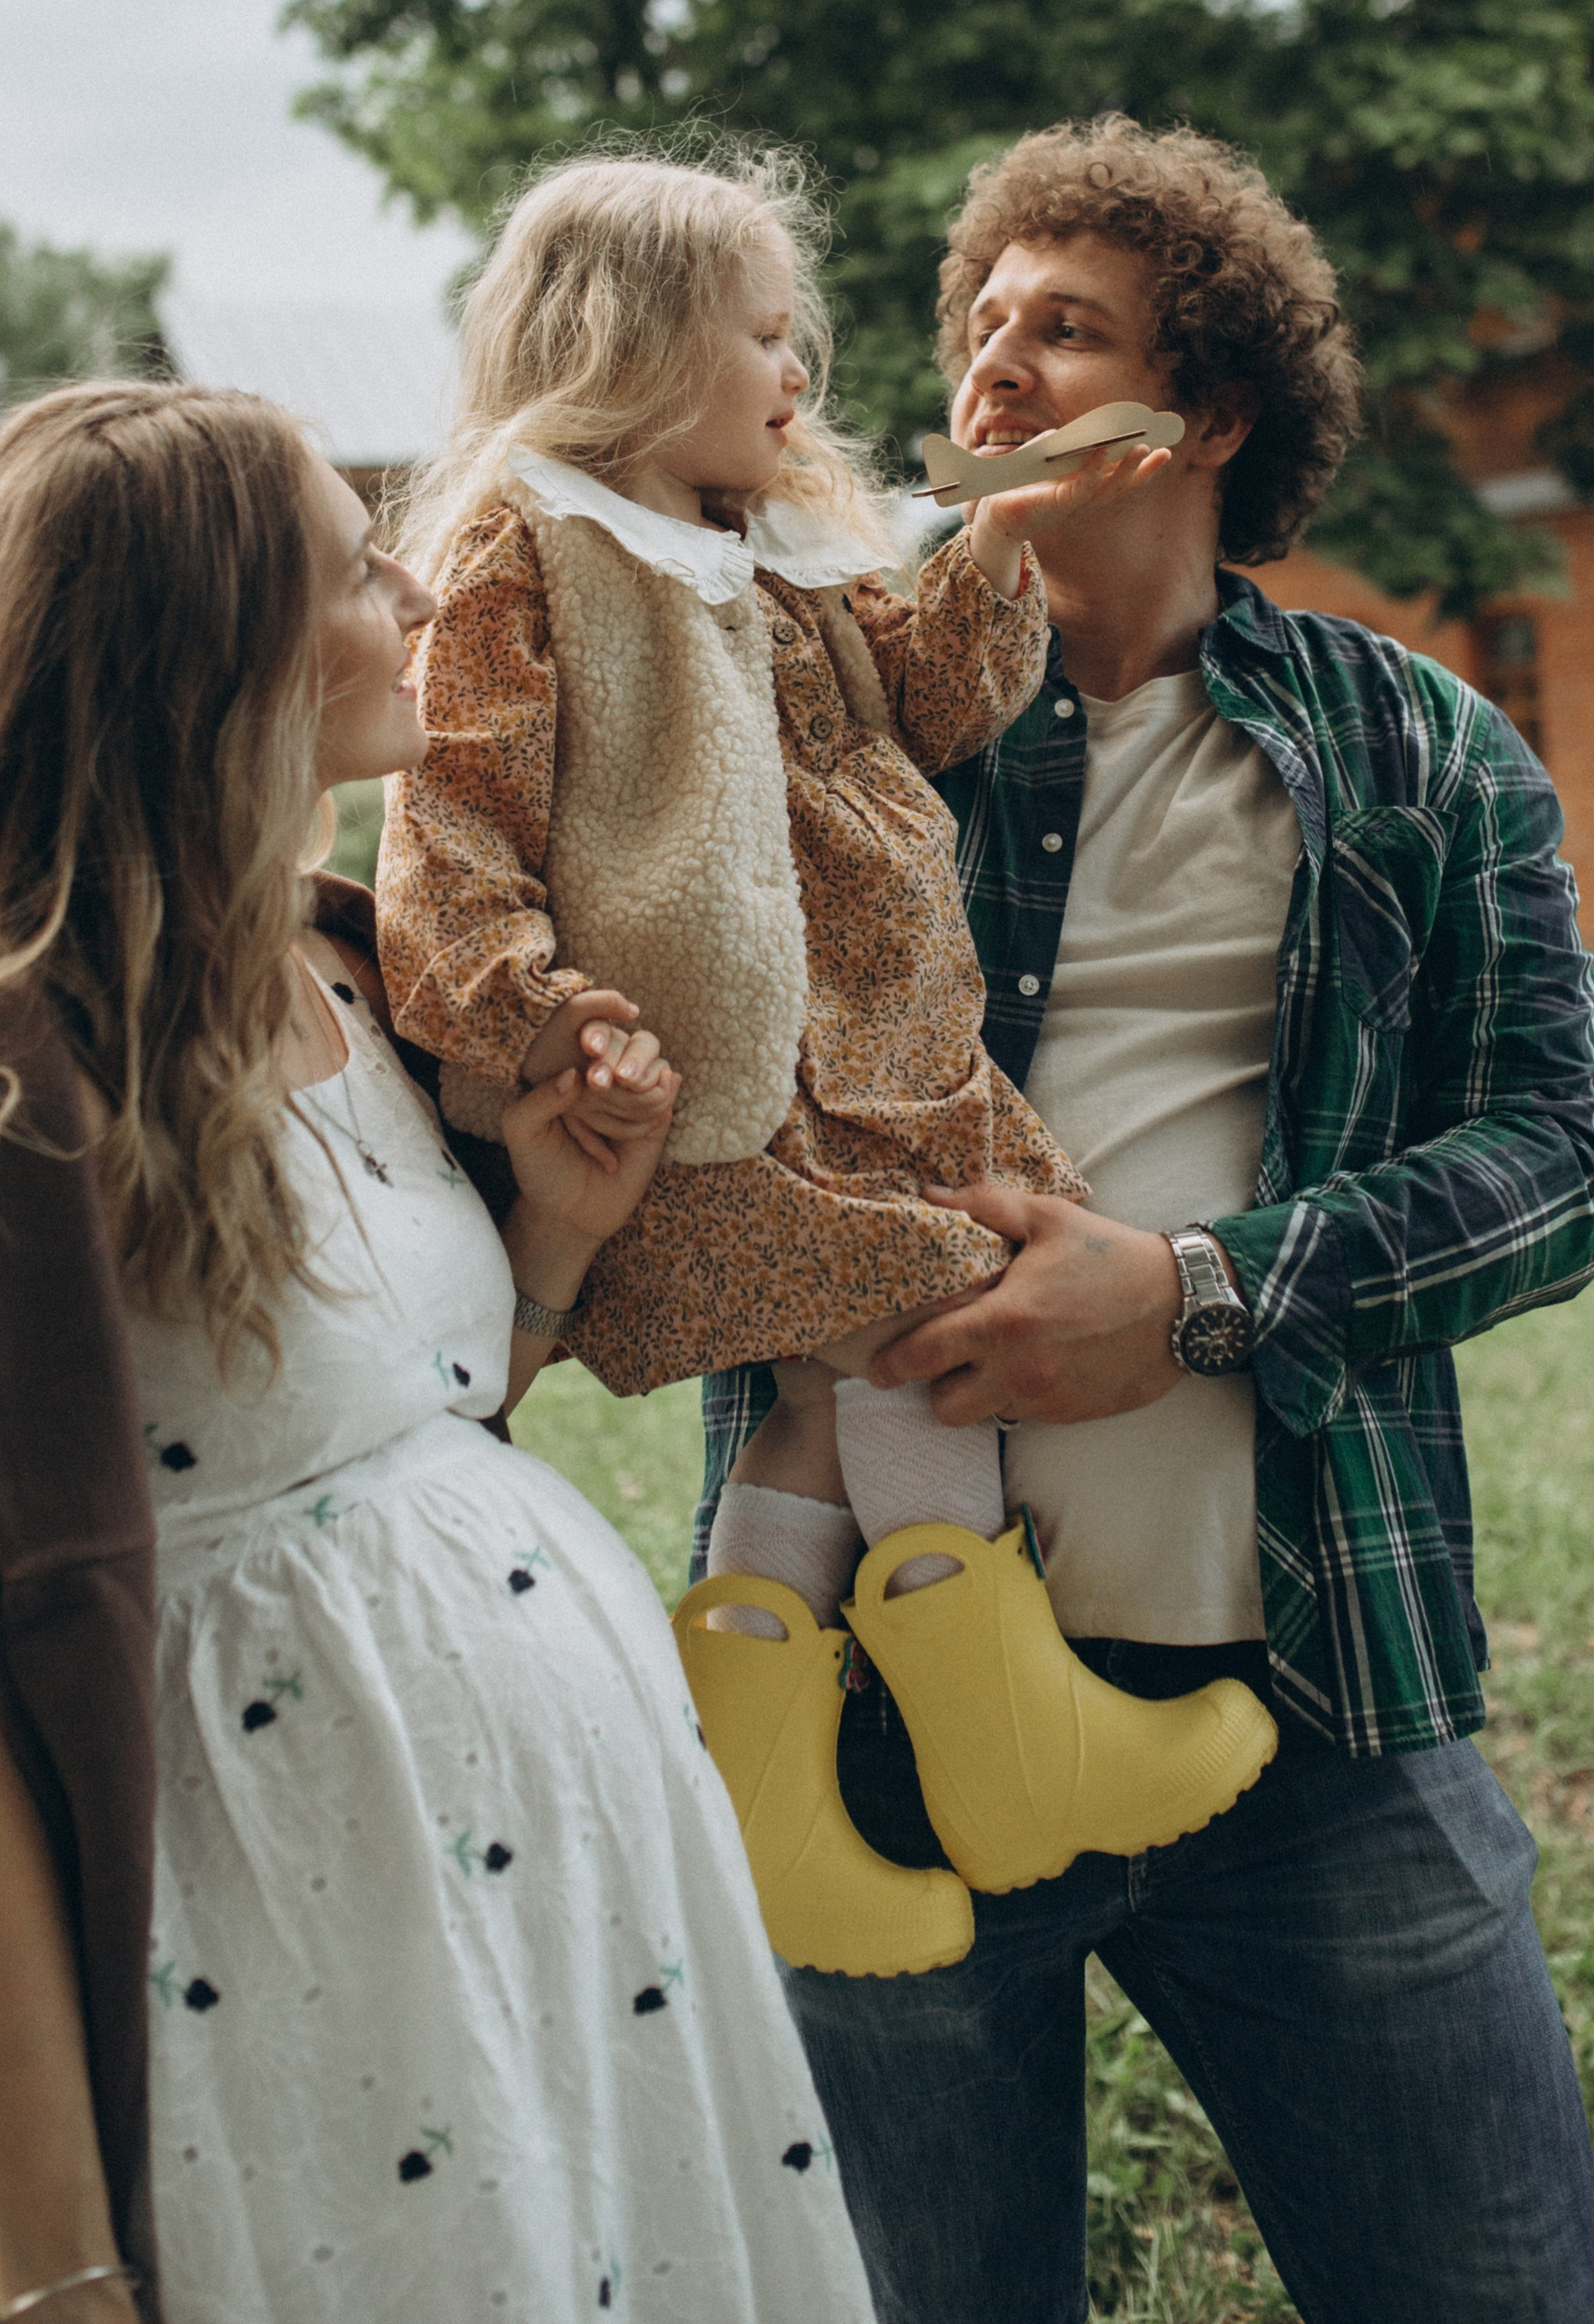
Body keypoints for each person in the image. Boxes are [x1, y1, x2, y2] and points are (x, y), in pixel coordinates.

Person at [0, 379, 881, 2324]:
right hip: (276, 1968)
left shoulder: (351, 966)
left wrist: (551, 1238)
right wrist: (57, 2278)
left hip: (564, 1929)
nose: (421, 587)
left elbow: (381, 1461)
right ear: (206, 653)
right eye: (356, 565)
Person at [696, 116, 1594, 2324]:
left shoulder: (1418, 752)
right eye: (982, 325)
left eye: (1067, 326)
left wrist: (1200, 1297)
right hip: (873, 1732)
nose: (995, 364)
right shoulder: (803, 702)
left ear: (1201, 411)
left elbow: (1562, 1163)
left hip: (1314, 1697)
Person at [375, 146, 1277, 1980]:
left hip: (873, 1055)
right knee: (925, 1321)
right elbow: (446, 815)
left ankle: (769, 1804)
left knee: (834, 1387)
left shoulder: (771, 552)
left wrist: (1000, 533)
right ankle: (1012, 1736)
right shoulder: (530, 549)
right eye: (767, 339)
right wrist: (534, 1003)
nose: (802, 378)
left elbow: (934, 703)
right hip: (707, 1082)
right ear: (631, 349)